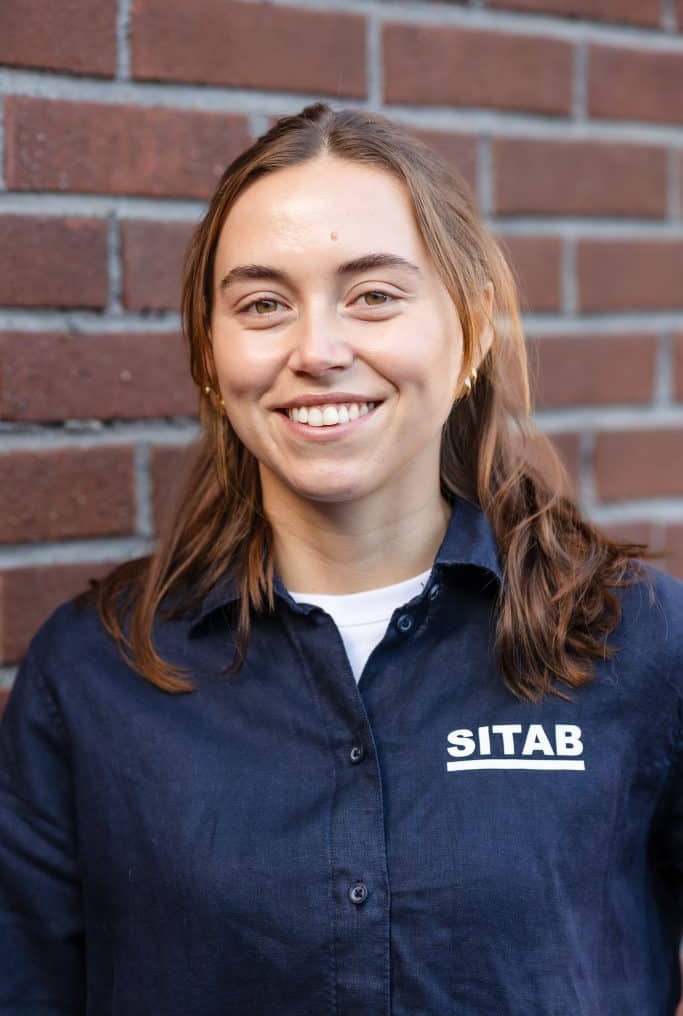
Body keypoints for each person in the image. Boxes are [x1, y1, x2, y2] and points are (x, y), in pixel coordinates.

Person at [1, 101, 682, 1016]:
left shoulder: (640, 642)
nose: (316, 352)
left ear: (473, 328)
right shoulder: (92, 673)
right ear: (210, 354)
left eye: (373, 296)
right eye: (263, 305)